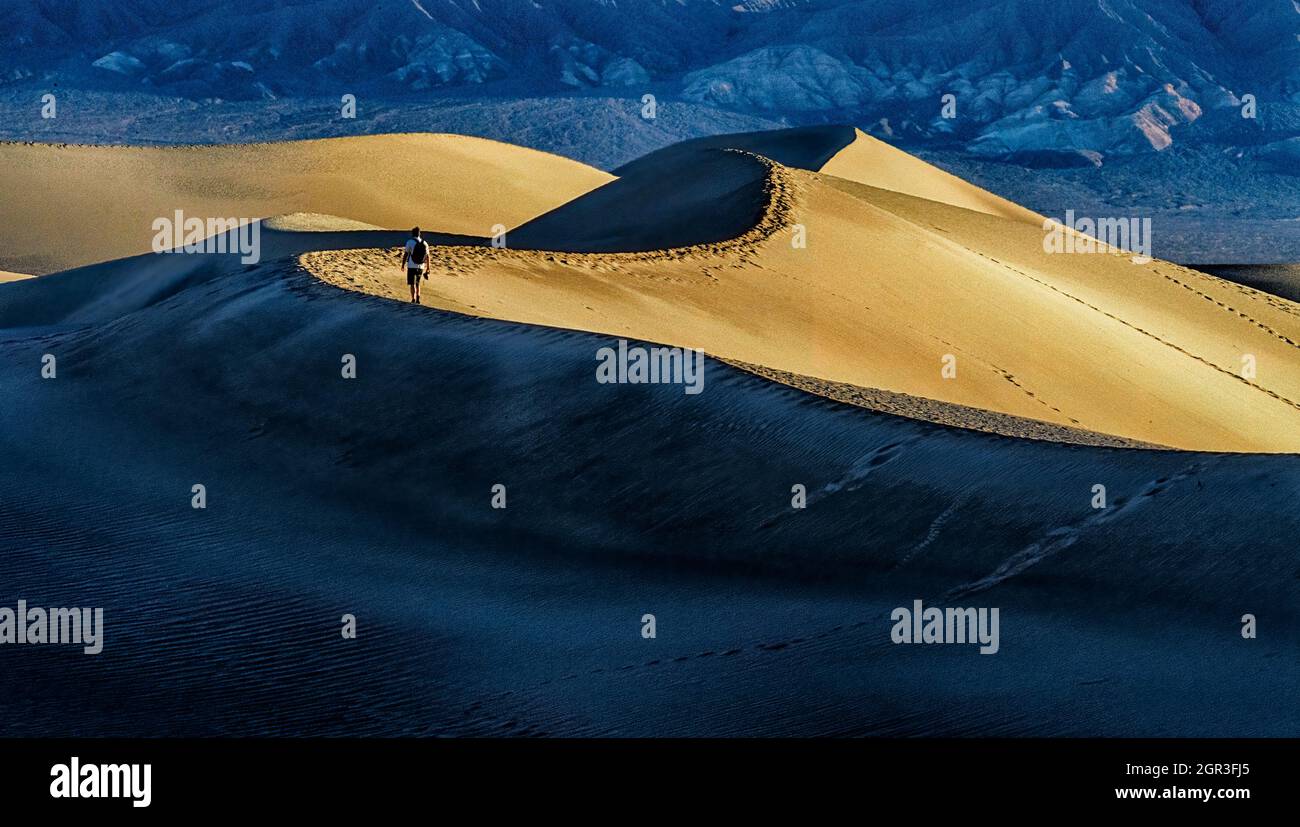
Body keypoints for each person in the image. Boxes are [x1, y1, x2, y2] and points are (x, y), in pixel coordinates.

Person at [400, 227, 430, 304]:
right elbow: (427, 256)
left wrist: (403, 265)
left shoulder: (410, 242)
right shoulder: (425, 243)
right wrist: (428, 268)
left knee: (412, 283)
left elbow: (406, 254)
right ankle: (418, 299)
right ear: (419, 234)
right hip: (421, 266)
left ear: (412, 234)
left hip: (411, 265)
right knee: (417, 283)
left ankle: (413, 299)